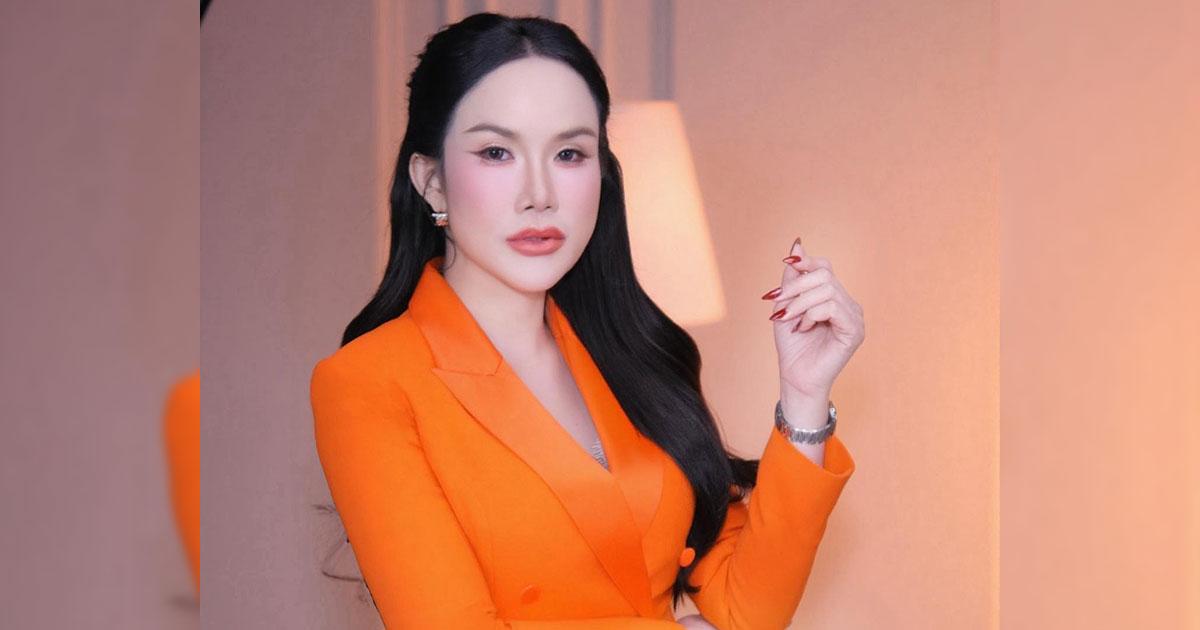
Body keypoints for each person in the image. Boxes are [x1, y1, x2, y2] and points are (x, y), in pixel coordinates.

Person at [310, 12, 865, 629]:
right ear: (432, 182)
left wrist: (805, 397)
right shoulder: (368, 381)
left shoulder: (628, 353)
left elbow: (746, 612)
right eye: (496, 152)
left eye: (569, 153)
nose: (539, 194)